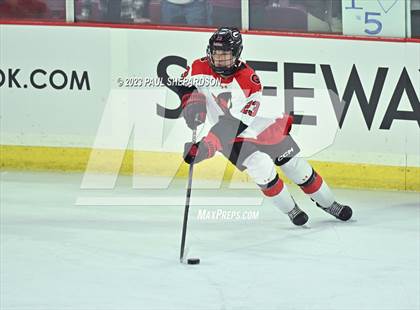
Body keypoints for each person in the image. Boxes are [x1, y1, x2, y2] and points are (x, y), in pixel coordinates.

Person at [178, 27, 353, 226]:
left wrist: (206, 147)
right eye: (216, 53)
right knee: (261, 168)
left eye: (225, 54)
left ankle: (329, 204)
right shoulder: (198, 66)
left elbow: (235, 124)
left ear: (236, 54)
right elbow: (185, 86)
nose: (219, 59)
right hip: (231, 139)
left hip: (259, 127)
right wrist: (191, 103)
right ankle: (292, 210)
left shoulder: (249, 81)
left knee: (296, 166)